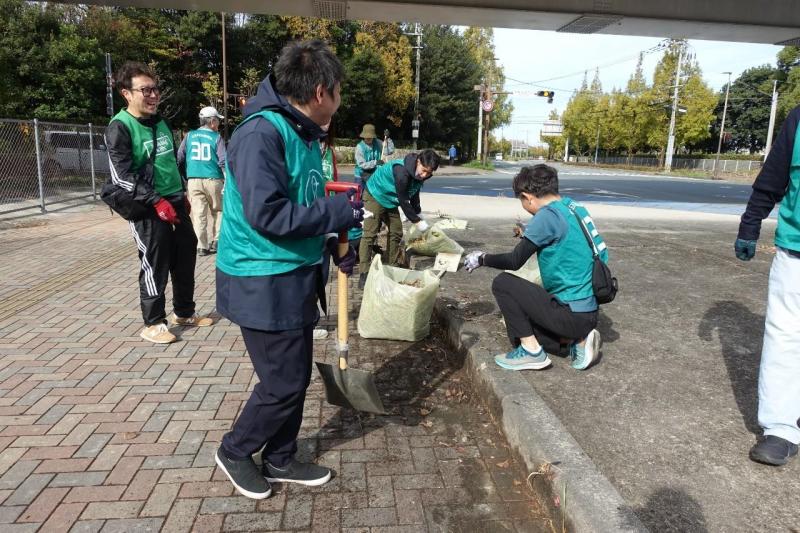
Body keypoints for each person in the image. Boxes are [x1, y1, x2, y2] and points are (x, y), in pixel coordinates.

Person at [214, 40, 363, 500]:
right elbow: (270, 215)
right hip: (261, 278)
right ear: (321, 91)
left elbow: (303, 202)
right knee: (284, 381)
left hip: (293, 274)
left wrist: (332, 246)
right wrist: (335, 216)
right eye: (338, 91)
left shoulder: (300, 132)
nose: (340, 99)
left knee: (294, 374)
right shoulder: (262, 133)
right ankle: (236, 450)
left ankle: (280, 457)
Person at [106, 61, 213, 345]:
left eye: (155, 89)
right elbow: (122, 176)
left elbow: (169, 162)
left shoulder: (160, 121)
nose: (153, 95)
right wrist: (156, 201)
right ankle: (153, 323)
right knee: (155, 262)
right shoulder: (120, 127)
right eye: (145, 90)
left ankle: (184, 313)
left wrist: (182, 194)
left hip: (175, 200)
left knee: (185, 255)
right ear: (126, 94)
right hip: (147, 208)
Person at [464, 164, 606, 372]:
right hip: (590, 312)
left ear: (527, 197)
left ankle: (532, 353)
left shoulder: (546, 216)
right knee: (518, 327)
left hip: (570, 314)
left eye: (522, 201)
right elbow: (599, 253)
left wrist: (482, 258)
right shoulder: (574, 208)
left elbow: (515, 260)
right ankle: (578, 341)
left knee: (503, 284)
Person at [735, 104, 800, 467]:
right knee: (785, 338)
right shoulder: (799, 119)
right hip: (796, 253)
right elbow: (772, 179)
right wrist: (750, 224)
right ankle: (781, 429)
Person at [357, 149, 441, 289]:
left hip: (390, 200)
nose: (424, 175)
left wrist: (418, 212)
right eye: (424, 170)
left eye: (429, 172)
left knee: (396, 231)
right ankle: (364, 274)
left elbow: (413, 193)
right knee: (370, 234)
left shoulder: (421, 174)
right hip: (375, 194)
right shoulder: (401, 171)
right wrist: (417, 221)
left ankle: (391, 266)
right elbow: (403, 200)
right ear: (418, 161)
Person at [177, 106, 226, 256]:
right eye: (217, 121)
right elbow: (223, 160)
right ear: (212, 121)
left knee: (199, 214)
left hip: (193, 180)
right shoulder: (216, 137)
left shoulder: (189, 136)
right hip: (214, 179)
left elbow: (180, 157)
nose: (218, 124)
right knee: (219, 211)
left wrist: (185, 176)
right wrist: (227, 179)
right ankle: (217, 240)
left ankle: (202, 246)